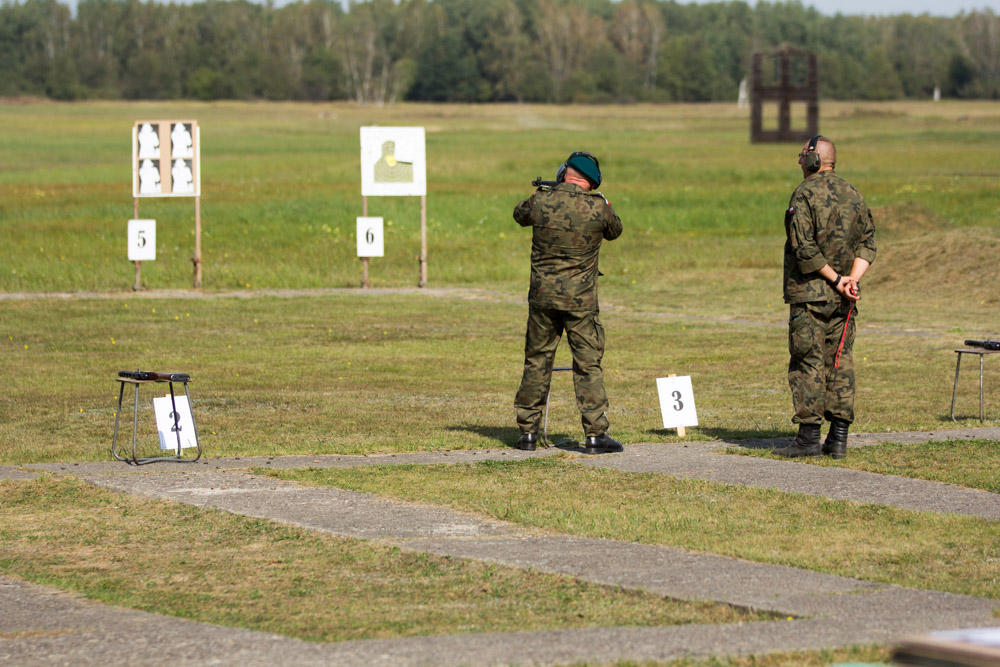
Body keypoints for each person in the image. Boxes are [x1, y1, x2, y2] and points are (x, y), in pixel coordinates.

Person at [512, 151, 623, 455]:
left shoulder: (541, 200)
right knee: (588, 365)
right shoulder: (599, 208)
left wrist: (545, 193)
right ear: (592, 181)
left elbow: (519, 214)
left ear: (564, 173)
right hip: (581, 303)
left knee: (537, 361)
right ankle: (595, 435)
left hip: (542, 299)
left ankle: (528, 434)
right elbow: (616, 230)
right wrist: (604, 202)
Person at [774, 135, 876, 459]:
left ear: (815, 160)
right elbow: (869, 244)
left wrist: (834, 279)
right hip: (844, 299)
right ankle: (838, 439)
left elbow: (804, 249)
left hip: (811, 296)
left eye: (803, 154)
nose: (799, 159)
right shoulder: (854, 194)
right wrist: (850, 281)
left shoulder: (804, 194)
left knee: (808, 362)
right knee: (840, 361)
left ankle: (807, 439)